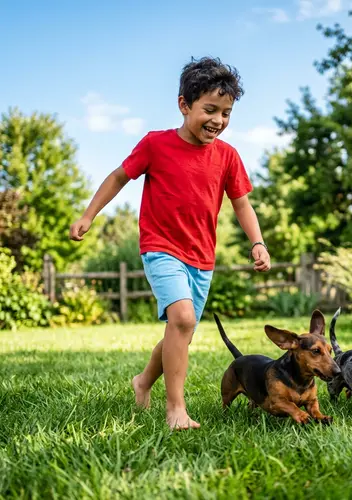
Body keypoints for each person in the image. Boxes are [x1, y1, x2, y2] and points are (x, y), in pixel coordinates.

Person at [69, 56, 271, 430]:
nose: (218, 121)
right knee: (182, 319)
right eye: (209, 110)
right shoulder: (155, 145)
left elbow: (241, 203)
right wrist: (88, 215)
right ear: (184, 104)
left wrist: (257, 242)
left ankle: (143, 382)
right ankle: (176, 409)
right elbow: (118, 177)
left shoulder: (227, 156)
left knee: (182, 330)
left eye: (226, 113)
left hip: (202, 257)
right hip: (160, 247)